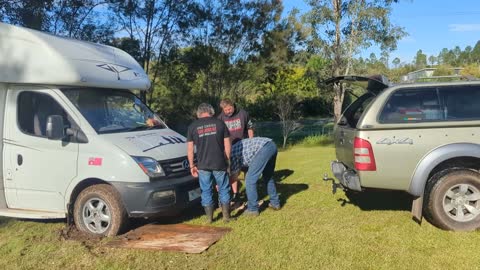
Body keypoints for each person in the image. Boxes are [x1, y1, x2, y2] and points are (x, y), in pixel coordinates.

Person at [187, 103, 233, 223]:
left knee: (206, 190)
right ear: (211, 111)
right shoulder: (220, 123)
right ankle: (226, 217)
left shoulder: (192, 126)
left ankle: (209, 219)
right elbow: (227, 145)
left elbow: (190, 149)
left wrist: (191, 165)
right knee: (223, 188)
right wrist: (227, 160)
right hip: (219, 163)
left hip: (202, 165)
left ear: (199, 113)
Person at [230, 137, 281, 216]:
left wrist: (225, 184)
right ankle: (275, 203)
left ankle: (253, 209)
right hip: (272, 145)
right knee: (268, 176)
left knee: (250, 180)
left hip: (264, 148)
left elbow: (235, 174)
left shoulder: (232, 153)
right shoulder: (239, 148)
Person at [218, 98, 254, 202]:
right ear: (222, 109)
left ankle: (249, 191)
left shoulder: (243, 113)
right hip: (230, 148)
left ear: (233, 105)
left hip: (244, 145)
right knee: (234, 172)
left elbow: (250, 128)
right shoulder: (220, 118)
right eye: (226, 110)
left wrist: (251, 141)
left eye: (230, 109)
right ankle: (235, 193)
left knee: (247, 169)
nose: (228, 111)